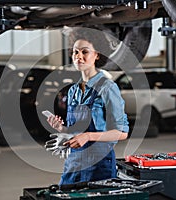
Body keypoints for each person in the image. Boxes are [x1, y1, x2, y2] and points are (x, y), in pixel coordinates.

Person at [46, 27, 129, 185]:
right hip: (74, 163)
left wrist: (89, 136)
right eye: (75, 52)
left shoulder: (107, 88)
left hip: (99, 165)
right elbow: (76, 132)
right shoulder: (73, 91)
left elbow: (122, 133)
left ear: (97, 55)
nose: (79, 57)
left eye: (85, 52)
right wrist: (62, 130)